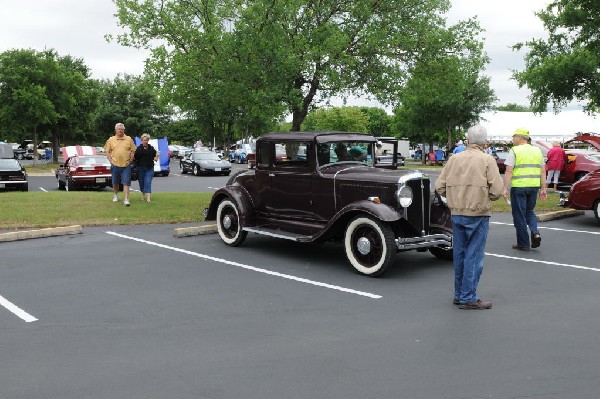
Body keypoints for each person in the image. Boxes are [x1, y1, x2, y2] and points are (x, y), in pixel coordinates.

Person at [435, 125, 504, 310]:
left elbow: (439, 186)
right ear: (485, 143)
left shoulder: (454, 159)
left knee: (460, 254)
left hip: (457, 212)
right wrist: (484, 197)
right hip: (478, 213)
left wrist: (453, 197)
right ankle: (468, 297)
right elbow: (498, 190)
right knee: (474, 256)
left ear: (467, 141)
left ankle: (459, 294)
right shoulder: (487, 160)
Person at [503, 128, 547, 251]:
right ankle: (535, 232)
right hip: (533, 186)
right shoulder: (537, 150)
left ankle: (523, 243)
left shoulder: (515, 150)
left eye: (514, 136)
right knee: (530, 212)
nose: (512, 139)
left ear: (520, 137)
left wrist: (505, 188)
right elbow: (543, 171)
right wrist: (543, 188)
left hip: (519, 186)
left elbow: (508, 171)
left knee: (519, 215)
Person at [104, 123, 136, 206]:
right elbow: (107, 151)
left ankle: (126, 199)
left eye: (122, 129)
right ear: (115, 130)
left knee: (126, 182)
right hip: (115, 164)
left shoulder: (129, 139)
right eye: (119, 129)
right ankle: (116, 195)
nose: (120, 130)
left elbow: (133, 150)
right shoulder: (111, 139)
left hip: (126, 164)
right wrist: (110, 160)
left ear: (124, 130)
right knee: (115, 182)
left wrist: (131, 159)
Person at [134, 133, 159, 202]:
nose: (145, 141)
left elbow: (155, 157)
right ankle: (143, 194)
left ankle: (148, 198)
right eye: (144, 140)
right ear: (141, 141)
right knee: (141, 183)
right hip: (140, 168)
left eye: (147, 140)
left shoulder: (152, 148)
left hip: (149, 168)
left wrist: (156, 157)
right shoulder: (138, 149)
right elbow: (135, 158)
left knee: (148, 182)